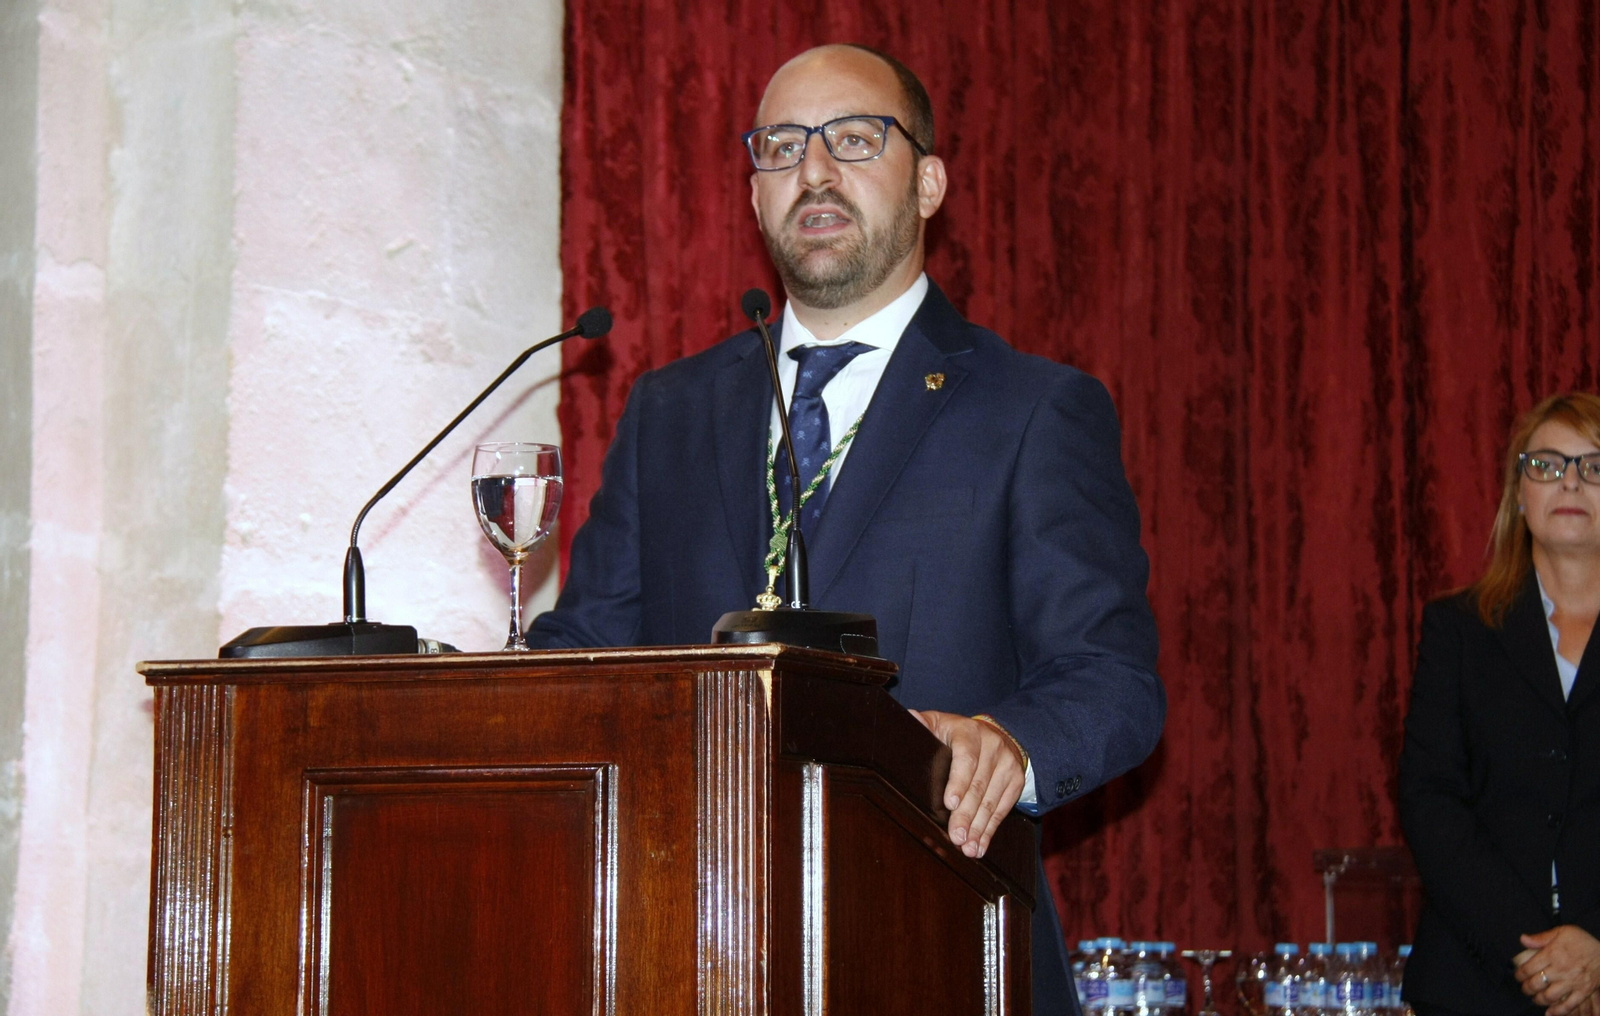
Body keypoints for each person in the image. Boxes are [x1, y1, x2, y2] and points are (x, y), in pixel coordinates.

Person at [528, 43, 1164, 1013]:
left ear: (929, 183)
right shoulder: (671, 410)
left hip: (939, 940)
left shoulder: (1032, 409)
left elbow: (1113, 679)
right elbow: (586, 650)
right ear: (754, 197)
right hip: (691, 950)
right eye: (782, 147)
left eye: (855, 139)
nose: (814, 171)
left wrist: (1009, 741)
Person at [1400, 392, 1600, 1016]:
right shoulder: (1458, 630)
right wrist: (1538, 958)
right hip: (1476, 979)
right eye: (1547, 465)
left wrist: (1595, 950)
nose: (1571, 482)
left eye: (1595, 466)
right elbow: (1431, 802)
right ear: (1519, 494)